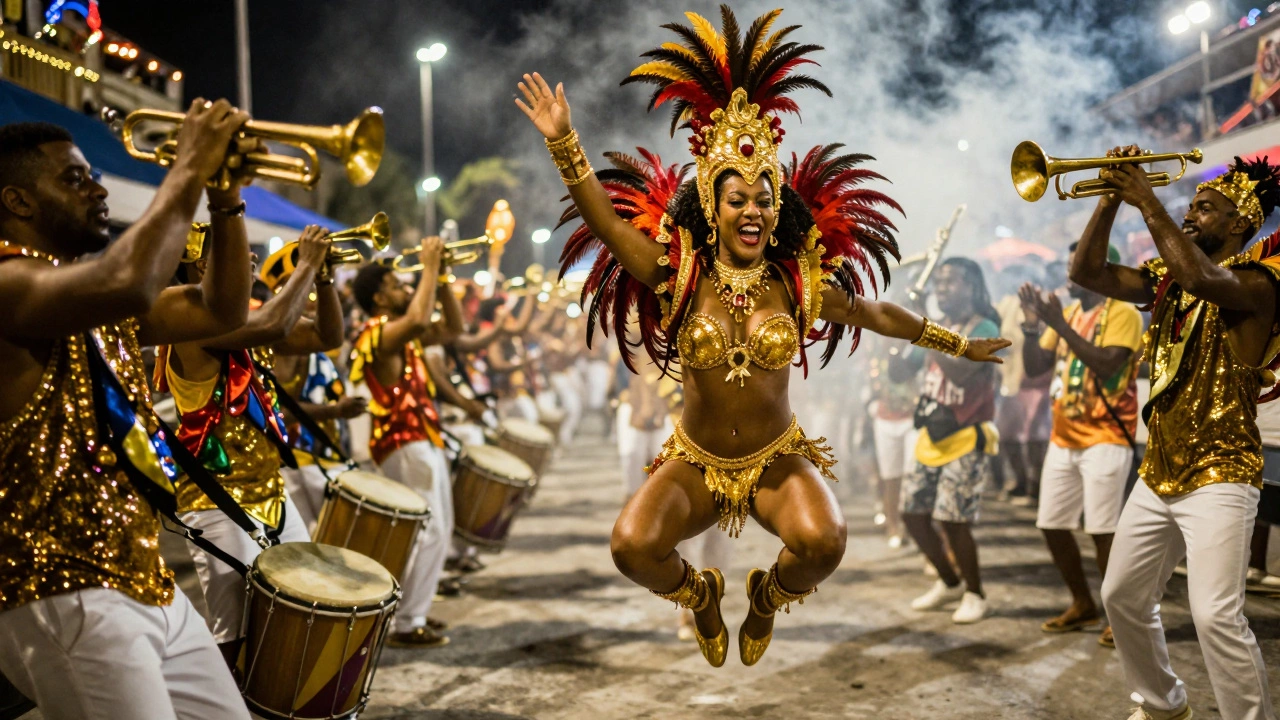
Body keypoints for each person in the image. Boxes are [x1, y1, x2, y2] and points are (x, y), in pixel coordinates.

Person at [515, 5, 1007, 667]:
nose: (752, 210)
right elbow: (605, 223)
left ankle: (767, 597)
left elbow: (878, 314)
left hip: (776, 459)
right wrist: (563, 142)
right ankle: (702, 595)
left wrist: (959, 344)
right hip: (695, 461)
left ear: (779, 207)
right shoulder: (677, 274)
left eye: (764, 197)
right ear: (711, 207)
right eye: (737, 197)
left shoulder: (795, 284)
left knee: (826, 543)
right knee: (632, 546)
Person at [0, 105, 256, 718]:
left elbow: (223, 312)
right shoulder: (10, 285)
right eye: (74, 179)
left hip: (144, 578)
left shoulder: (91, 290)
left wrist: (225, 202)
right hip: (61, 589)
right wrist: (191, 163)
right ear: (18, 201)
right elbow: (133, 279)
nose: (99, 188)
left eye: (93, 175)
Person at [1078, 149, 1279, 720]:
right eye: (1190, 206)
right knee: (1120, 597)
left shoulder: (1260, 281)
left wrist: (1147, 198)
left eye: (1207, 209)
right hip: (1160, 466)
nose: (1191, 215)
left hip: (1222, 470)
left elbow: (1201, 275)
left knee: (1216, 614)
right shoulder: (1171, 276)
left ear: (1242, 222)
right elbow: (1086, 274)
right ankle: (1163, 705)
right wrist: (1111, 198)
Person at [154, 223, 345, 662]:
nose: (254, 258)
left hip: (270, 491)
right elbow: (277, 323)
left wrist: (325, 278)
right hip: (217, 499)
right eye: (242, 252)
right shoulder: (190, 319)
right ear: (205, 264)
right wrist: (309, 262)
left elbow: (327, 337)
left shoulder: (246, 318)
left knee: (301, 604)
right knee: (235, 630)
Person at [1019, 242, 1143, 649]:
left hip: (1106, 435)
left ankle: (1120, 618)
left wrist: (1060, 324)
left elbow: (1108, 364)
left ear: (1098, 269)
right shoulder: (1070, 312)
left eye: (1077, 265)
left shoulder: (1122, 311)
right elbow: (1036, 368)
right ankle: (1082, 603)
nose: (1069, 273)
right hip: (1065, 434)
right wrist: (1033, 325)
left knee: (1103, 530)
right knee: (1052, 524)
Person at [349, 243, 464, 647]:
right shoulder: (379, 332)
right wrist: (430, 265)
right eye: (398, 285)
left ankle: (415, 611)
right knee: (427, 533)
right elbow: (418, 319)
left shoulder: (401, 331)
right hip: (403, 442)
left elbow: (454, 328)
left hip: (422, 438)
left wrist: (444, 276)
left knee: (440, 529)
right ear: (379, 297)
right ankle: (406, 620)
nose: (406, 288)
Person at [892, 258, 1002, 624]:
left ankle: (975, 593)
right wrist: (899, 331)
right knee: (912, 513)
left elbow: (961, 373)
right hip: (931, 435)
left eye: (950, 282)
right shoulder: (939, 327)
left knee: (954, 521)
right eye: (938, 282)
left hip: (967, 435)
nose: (941, 288)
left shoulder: (984, 326)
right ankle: (949, 581)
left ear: (972, 287)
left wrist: (927, 326)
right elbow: (901, 370)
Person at [259, 249, 370, 530]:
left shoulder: (310, 344)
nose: (312, 303)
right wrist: (335, 410)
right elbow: (277, 412)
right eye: (304, 294)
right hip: (295, 464)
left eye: (313, 293)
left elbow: (330, 336)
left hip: (326, 456)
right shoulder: (276, 341)